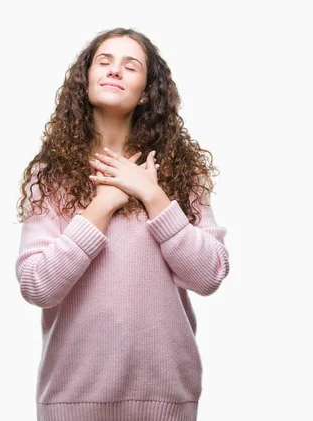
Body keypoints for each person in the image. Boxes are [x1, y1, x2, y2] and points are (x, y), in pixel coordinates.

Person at [14, 27, 230, 421]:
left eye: (130, 66)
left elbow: (209, 275)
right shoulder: (51, 175)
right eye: (104, 62)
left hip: (166, 398)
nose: (115, 71)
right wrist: (103, 204)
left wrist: (153, 196)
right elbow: (37, 286)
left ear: (146, 91)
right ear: (86, 79)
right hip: (72, 398)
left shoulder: (180, 174)